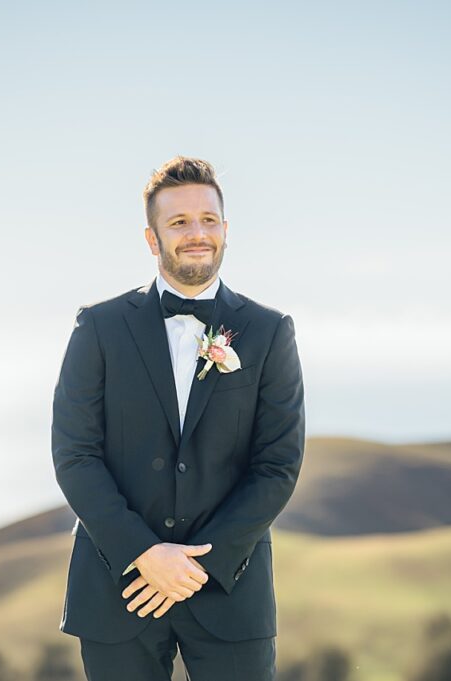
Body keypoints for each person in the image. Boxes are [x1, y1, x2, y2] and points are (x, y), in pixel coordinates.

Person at [51, 156, 306, 680]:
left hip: (230, 589)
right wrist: (143, 552)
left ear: (226, 230)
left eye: (208, 220)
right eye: (179, 222)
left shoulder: (269, 330)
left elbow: (278, 464)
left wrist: (197, 566)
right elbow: (75, 455)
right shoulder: (97, 327)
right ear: (152, 239)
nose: (197, 234)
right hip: (119, 586)